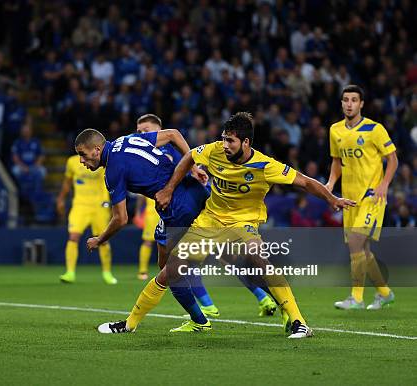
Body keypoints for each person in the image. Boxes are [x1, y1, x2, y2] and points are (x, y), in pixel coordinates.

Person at [99, 112, 355, 338]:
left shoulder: (266, 166)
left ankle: (298, 321)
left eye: (230, 140)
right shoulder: (214, 151)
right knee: (169, 271)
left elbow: (306, 182)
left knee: (258, 261)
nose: (225, 145)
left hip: (243, 222)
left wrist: (331, 198)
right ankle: (130, 324)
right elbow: (188, 155)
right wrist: (174, 184)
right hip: (209, 220)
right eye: (223, 138)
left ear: (246, 142)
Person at [72, 125, 223, 332]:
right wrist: (192, 166)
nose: (81, 161)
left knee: (169, 271)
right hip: (195, 188)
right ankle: (271, 301)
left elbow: (121, 218)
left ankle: (198, 320)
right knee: (233, 250)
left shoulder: (112, 171)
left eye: (83, 154)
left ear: (97, 150)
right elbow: (173, 134)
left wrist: (99, 239)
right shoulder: (127, 140)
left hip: (176, 207)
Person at [134, 114, 276, 317]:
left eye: (146, 130)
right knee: (225, 258)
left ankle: (209, 306)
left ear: (159, 130)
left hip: (189, 209)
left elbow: (183, 162)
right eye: (138, 132)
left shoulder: (164, 151)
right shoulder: (154, 152)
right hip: (191, 206)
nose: (141, 135)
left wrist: (191, 169)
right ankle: (263, 297)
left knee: (177, 261)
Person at [326, 85, 398, 310]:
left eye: (354, 100)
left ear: (361, 104)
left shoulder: (374, 129)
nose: (349, 104)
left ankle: (356, 297)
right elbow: (337, 162)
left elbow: (393, 159)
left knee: (356, 242)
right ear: (341, 103)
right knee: (363, 250)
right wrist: (330, 183)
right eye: (346, 100)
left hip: (371, 197)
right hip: (349, 199)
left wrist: (384, 185)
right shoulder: (335, 130)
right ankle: (385, 293)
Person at [56, 153, 117, 285]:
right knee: (73, 236)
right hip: (80, 205)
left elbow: (107, 182)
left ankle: (107, 273)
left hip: (99, 205)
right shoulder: (72, 161)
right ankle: (70, 272)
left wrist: (107, 203)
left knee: (102, 239)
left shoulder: (101, 160)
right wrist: (61, 198)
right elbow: (67, 182)